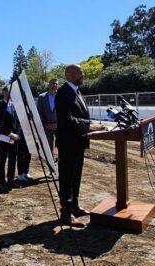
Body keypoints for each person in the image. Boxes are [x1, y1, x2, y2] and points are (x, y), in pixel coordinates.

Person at [55, 64, 105, 227]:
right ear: (69, 74)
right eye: (80, 72)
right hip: (68, 143)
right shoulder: (62, 93)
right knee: (67, 177)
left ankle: (74, 206)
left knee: (76, 176)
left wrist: (88, 126)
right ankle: (66, 213)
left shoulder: (76, 91)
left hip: (78, 142)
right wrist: (89, 125)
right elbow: (66, 119)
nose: (83, 75)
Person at [0, 86, 20, 193]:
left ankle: (10, 180)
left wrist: (17, 134)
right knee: (3, 160)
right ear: (4, 92)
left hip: (14, 138)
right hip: (4, 137)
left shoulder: (14, 105)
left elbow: (18, 122)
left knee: (13, 159)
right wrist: (9, 134)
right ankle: (2, 181)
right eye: (8, 91)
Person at [36, 79, 59, 153]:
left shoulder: (61, 96)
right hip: (46, 127)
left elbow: (64, 111)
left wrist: (57, 123)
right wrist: (45, 124)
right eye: (52, 83)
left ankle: (60, 161)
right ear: (49, 85)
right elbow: (39, 112)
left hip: (58, 126)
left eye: (56, 84)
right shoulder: (41, 97)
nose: (54, 85)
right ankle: (51, 162)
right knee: (48, 146)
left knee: (61, 144)